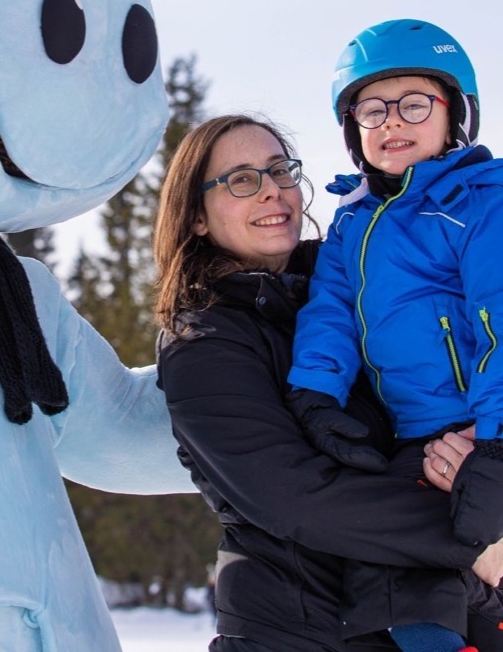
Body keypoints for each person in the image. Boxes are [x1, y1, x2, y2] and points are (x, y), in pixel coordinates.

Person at [155, 113, 503, 652]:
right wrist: (476, 534)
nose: (272, 192)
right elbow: (293, 497)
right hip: (296, 631)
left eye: (280, 171)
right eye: (242, 180)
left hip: (427, 610)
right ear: (196, 216)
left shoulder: (359, 278)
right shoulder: (203, 343)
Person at [288, 19, 503, 652]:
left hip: (474, 426)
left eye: (413, 104)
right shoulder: (352, 221)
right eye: (371, 110)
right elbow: (330, 314)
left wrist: (496, 448)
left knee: (430, 556)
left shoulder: (479, 202)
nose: (390, 122)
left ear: (454, 115)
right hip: (414, 437)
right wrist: (315, 397)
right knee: (393, 564)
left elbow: (500, 318)